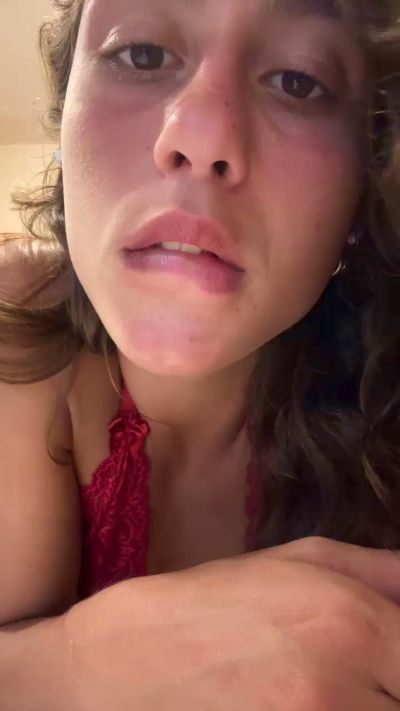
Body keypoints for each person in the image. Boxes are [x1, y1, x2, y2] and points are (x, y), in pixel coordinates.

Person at [1, 0, 400, 708]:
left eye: (299, 80)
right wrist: (78, 663)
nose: (200, 134)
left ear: (365, 181)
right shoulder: (16, 320)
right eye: (142, 54)